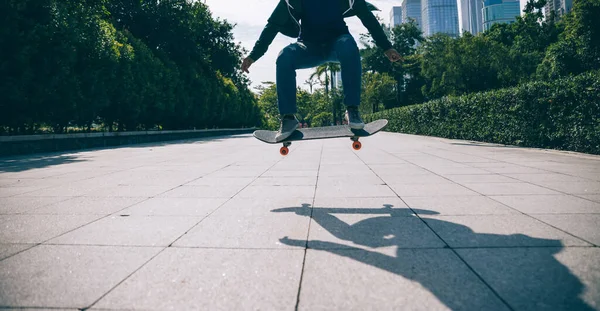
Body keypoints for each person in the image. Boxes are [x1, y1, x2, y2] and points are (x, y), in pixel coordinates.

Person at [242, 0, 402, 141]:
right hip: (308, 47)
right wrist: (253, 56)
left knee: (348, 45)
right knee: (285, 57)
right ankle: (288, 117)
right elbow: (272, 26)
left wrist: (387, 47)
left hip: (337, 44)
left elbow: (368, 19)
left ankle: (352, 109)